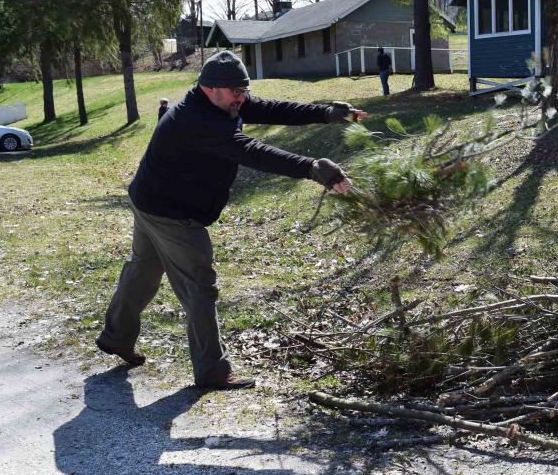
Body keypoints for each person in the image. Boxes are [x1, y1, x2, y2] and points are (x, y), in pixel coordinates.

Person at [96, 50, 366, 390]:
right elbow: (252, 151)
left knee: (143, 269)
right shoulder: (197, 120)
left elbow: (270, 108)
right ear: (211, 88)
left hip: (148, 198)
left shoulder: (224, 101)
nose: (243, 98)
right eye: (237, 92)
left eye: (244, 90)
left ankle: (116, 337)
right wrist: (311, 168)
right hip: (171, 212)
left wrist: (324, 112)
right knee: (199, 285)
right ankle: (212, 371)